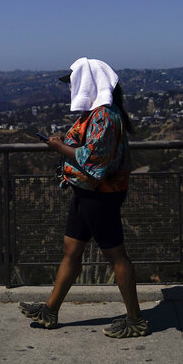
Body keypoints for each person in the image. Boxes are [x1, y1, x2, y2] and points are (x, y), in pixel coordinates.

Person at [18, 57, 151, 339]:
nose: (71, 88)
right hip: (86, 192)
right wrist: (64, 144)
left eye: (74, 82)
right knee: (71, 249)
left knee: (116, 255)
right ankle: (50, 310)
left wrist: (57, 147)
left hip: (100, 196)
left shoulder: (103, 115)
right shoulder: (97, 113)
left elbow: (91, 160)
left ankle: (136, 320)